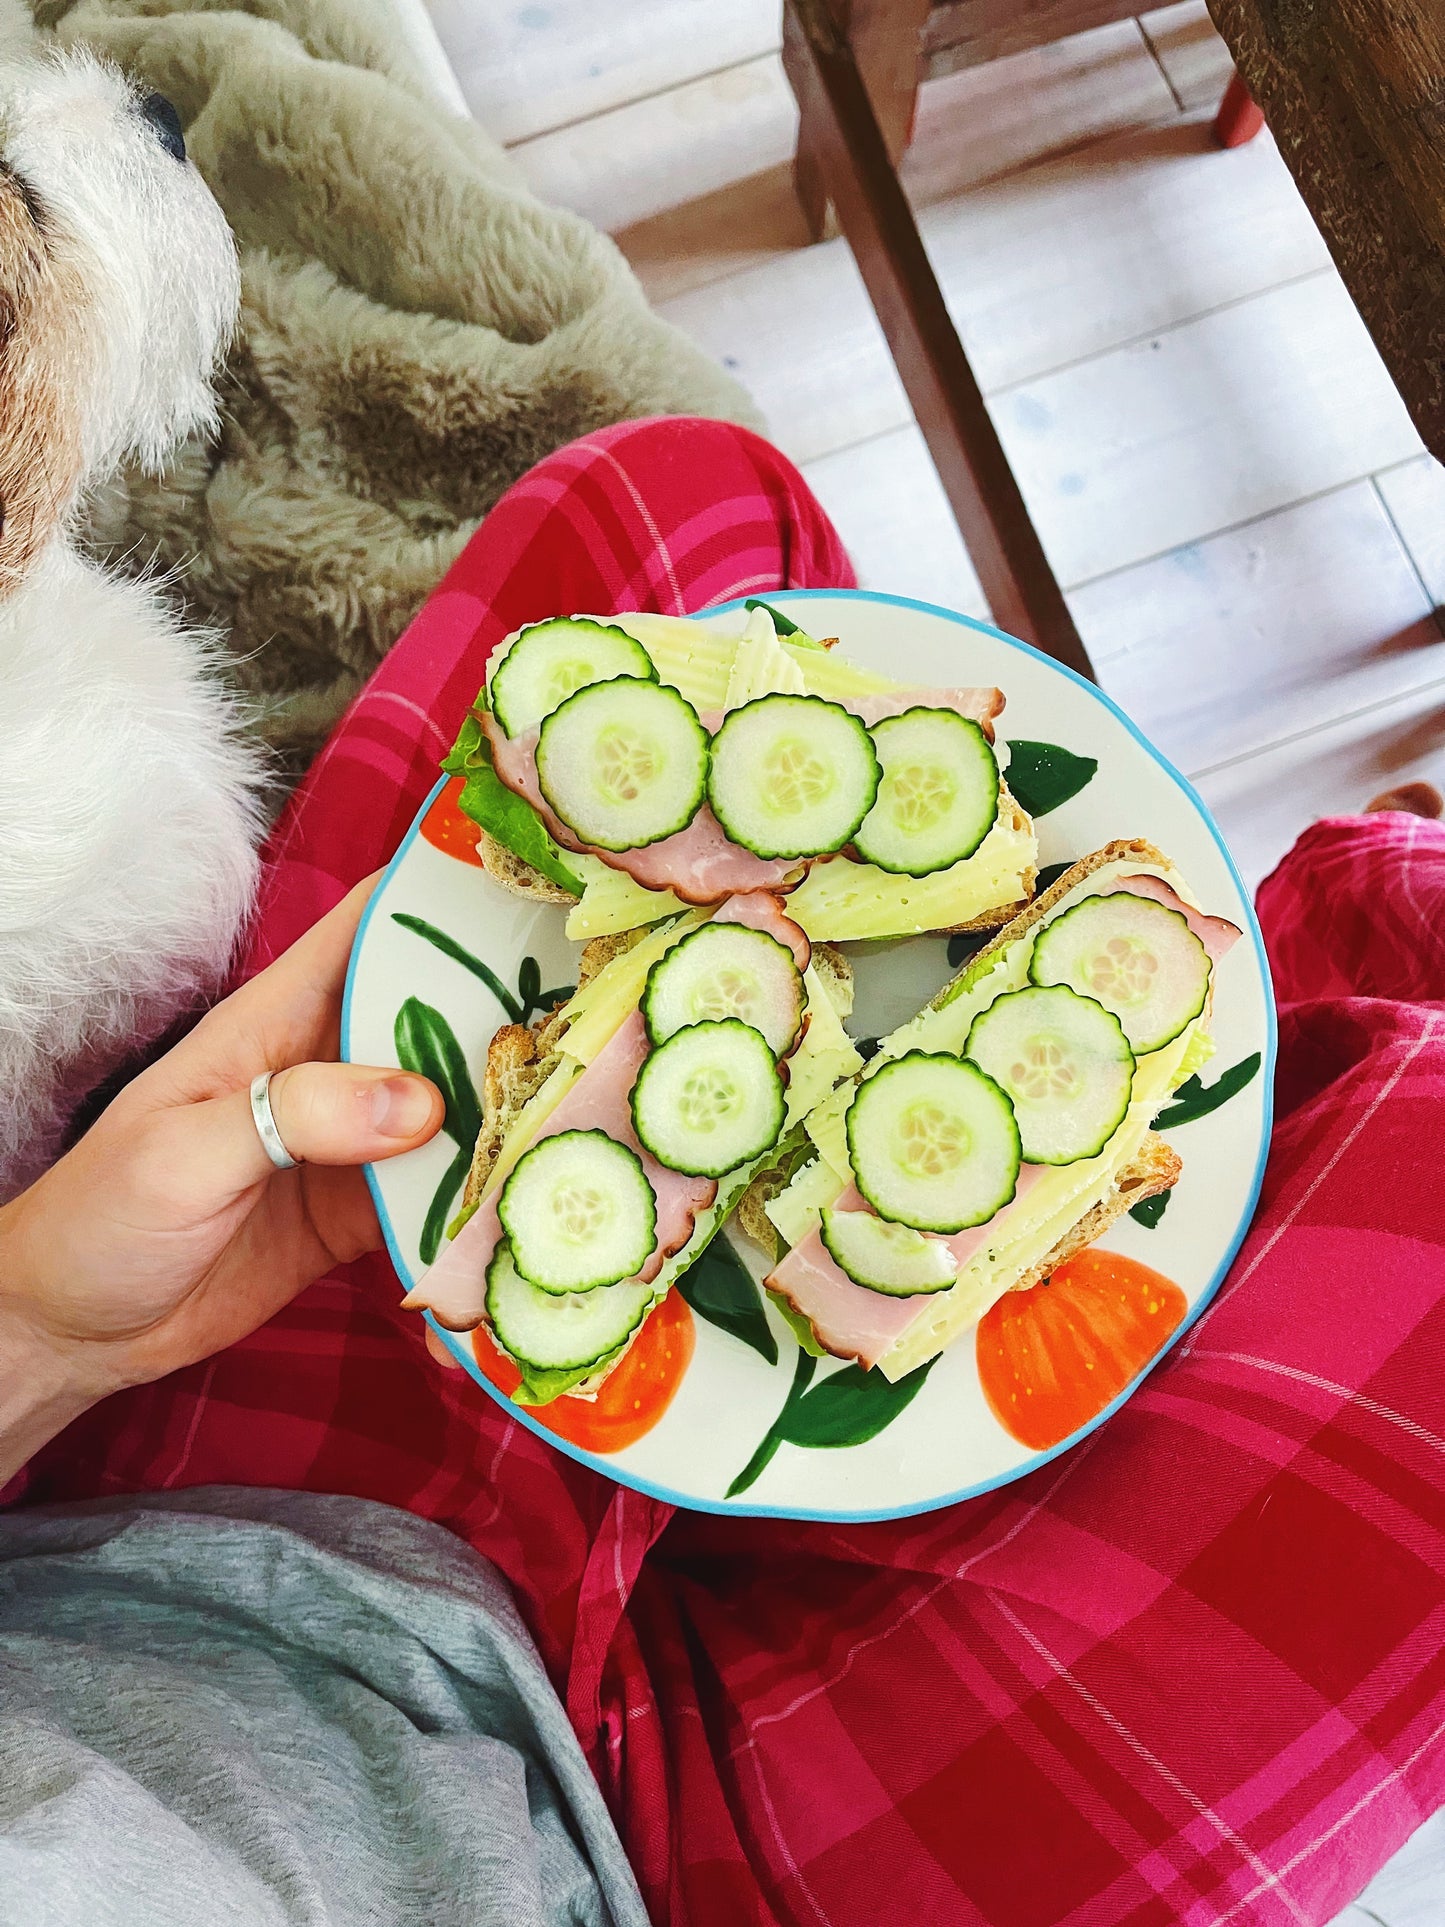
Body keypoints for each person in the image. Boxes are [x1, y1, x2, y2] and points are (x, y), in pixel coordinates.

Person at [4, 416, 1444, 1927]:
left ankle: (1303, 1006)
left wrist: (40, 1327)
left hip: (155, 1533)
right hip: (641, 1867)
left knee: (670, 495)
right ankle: (1342, 956)